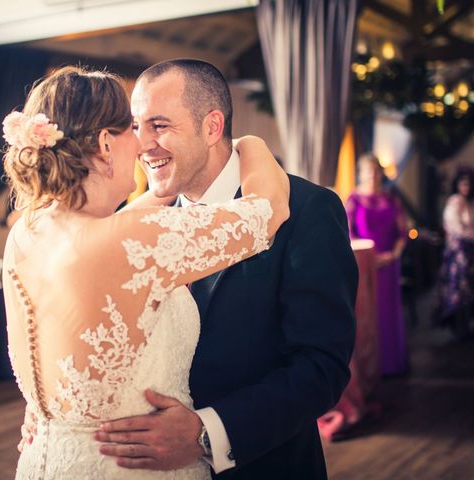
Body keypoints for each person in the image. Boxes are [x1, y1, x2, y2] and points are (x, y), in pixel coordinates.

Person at [2, 65, 290, 479]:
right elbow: (268, 210)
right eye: (132, 129)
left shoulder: (29, 233)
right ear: (106, 143)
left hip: (48, 458)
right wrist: (252, 144)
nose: (141, 146)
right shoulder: (128, 241)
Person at [79, 59, 356, 479]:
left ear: (211, 127)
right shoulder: (133, 224)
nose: (142, 145)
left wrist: (206, 433)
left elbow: (321, 367)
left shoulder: (306, 211)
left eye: (159, 125)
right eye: (136, 127)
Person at [346, 153, 408, 376]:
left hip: (389, 264)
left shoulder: (391, 200)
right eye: (367, 171)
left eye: (376, 171)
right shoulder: (353, 200)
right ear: (360, 174)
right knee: (368, 313)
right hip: (365, 266)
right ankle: (371, 369)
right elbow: (348, 232)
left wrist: (393, 255)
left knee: (389, 312)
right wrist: (371, 257)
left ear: (381, 174)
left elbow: (403, 233)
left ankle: (392, 363)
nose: (372, 175)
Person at [437, 168, 474, 340]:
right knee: (458, 289)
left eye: (469, 184)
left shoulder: (469, 202)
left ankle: (466, 326)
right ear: (457, 185)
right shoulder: (454, 202)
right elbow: (458, 230)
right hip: (458, 254)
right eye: (463, 183)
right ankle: (460, 329)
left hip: (469, 253)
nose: (466, 187)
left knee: (467, 290)